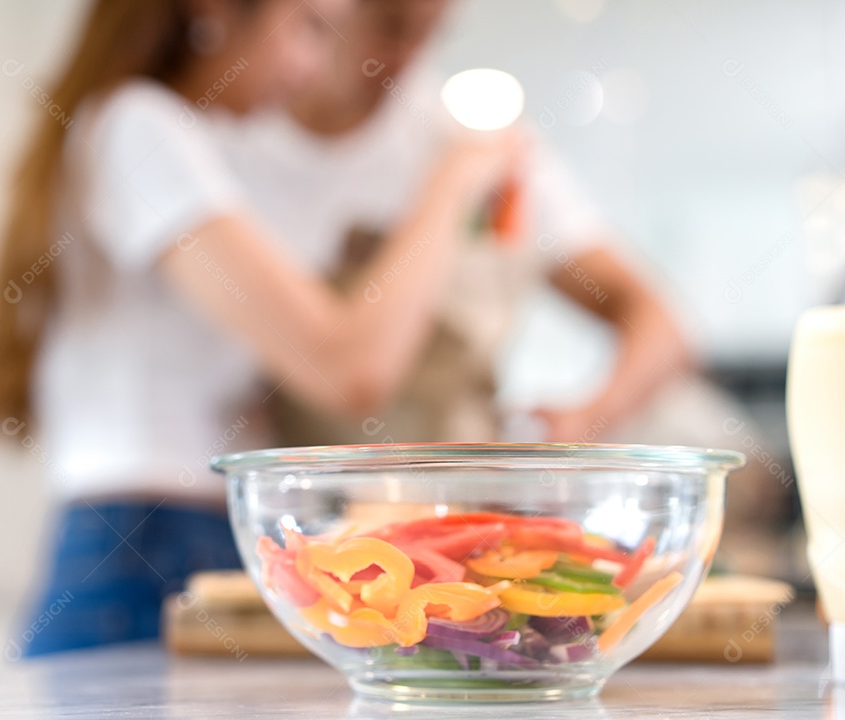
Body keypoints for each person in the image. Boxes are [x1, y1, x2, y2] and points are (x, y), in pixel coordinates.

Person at [0, 0, 523, 655]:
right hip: (152, 548)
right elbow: (349, 370)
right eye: (308, 26)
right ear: (213, 11)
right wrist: (454, 181)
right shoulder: (138, 126)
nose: (313, 65)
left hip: (156, 540)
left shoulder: (159, 133)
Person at [217, 0, 691, 445]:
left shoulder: (479, 147)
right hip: (295, 505)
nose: (407, 57)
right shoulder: (226, 137)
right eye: (391, 25)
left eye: (430, 32)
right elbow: (356, 377)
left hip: (454, 496)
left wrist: (589, 417)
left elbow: (658, 321)